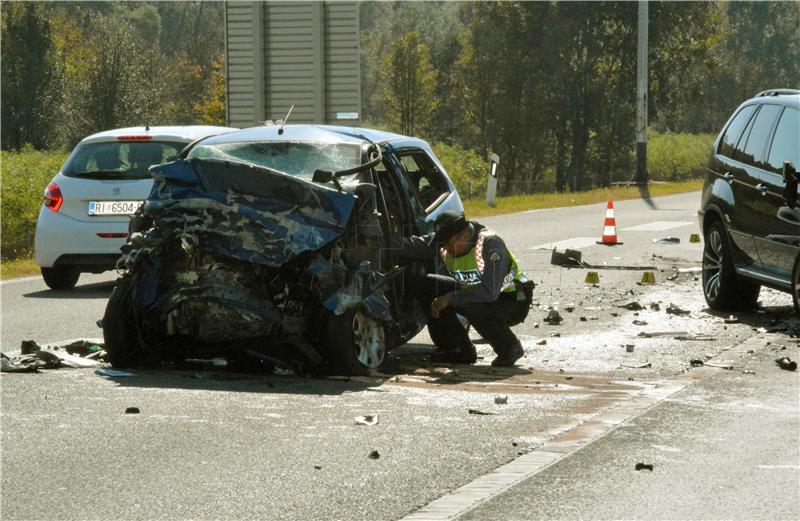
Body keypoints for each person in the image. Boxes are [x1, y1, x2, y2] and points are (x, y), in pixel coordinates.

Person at [402, 211, 533, 367]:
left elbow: (489, 292)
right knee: (427, 284)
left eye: (449, 244)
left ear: (463, 236)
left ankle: (509, 348)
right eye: (443, 244)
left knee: (474, 308)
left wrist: (450, 298)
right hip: (474, 291)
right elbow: (418, 245)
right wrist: (381, 243)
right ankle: (459, 350)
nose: (445, 248)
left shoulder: (490, 245)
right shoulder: (446, 242)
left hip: (512, 299)